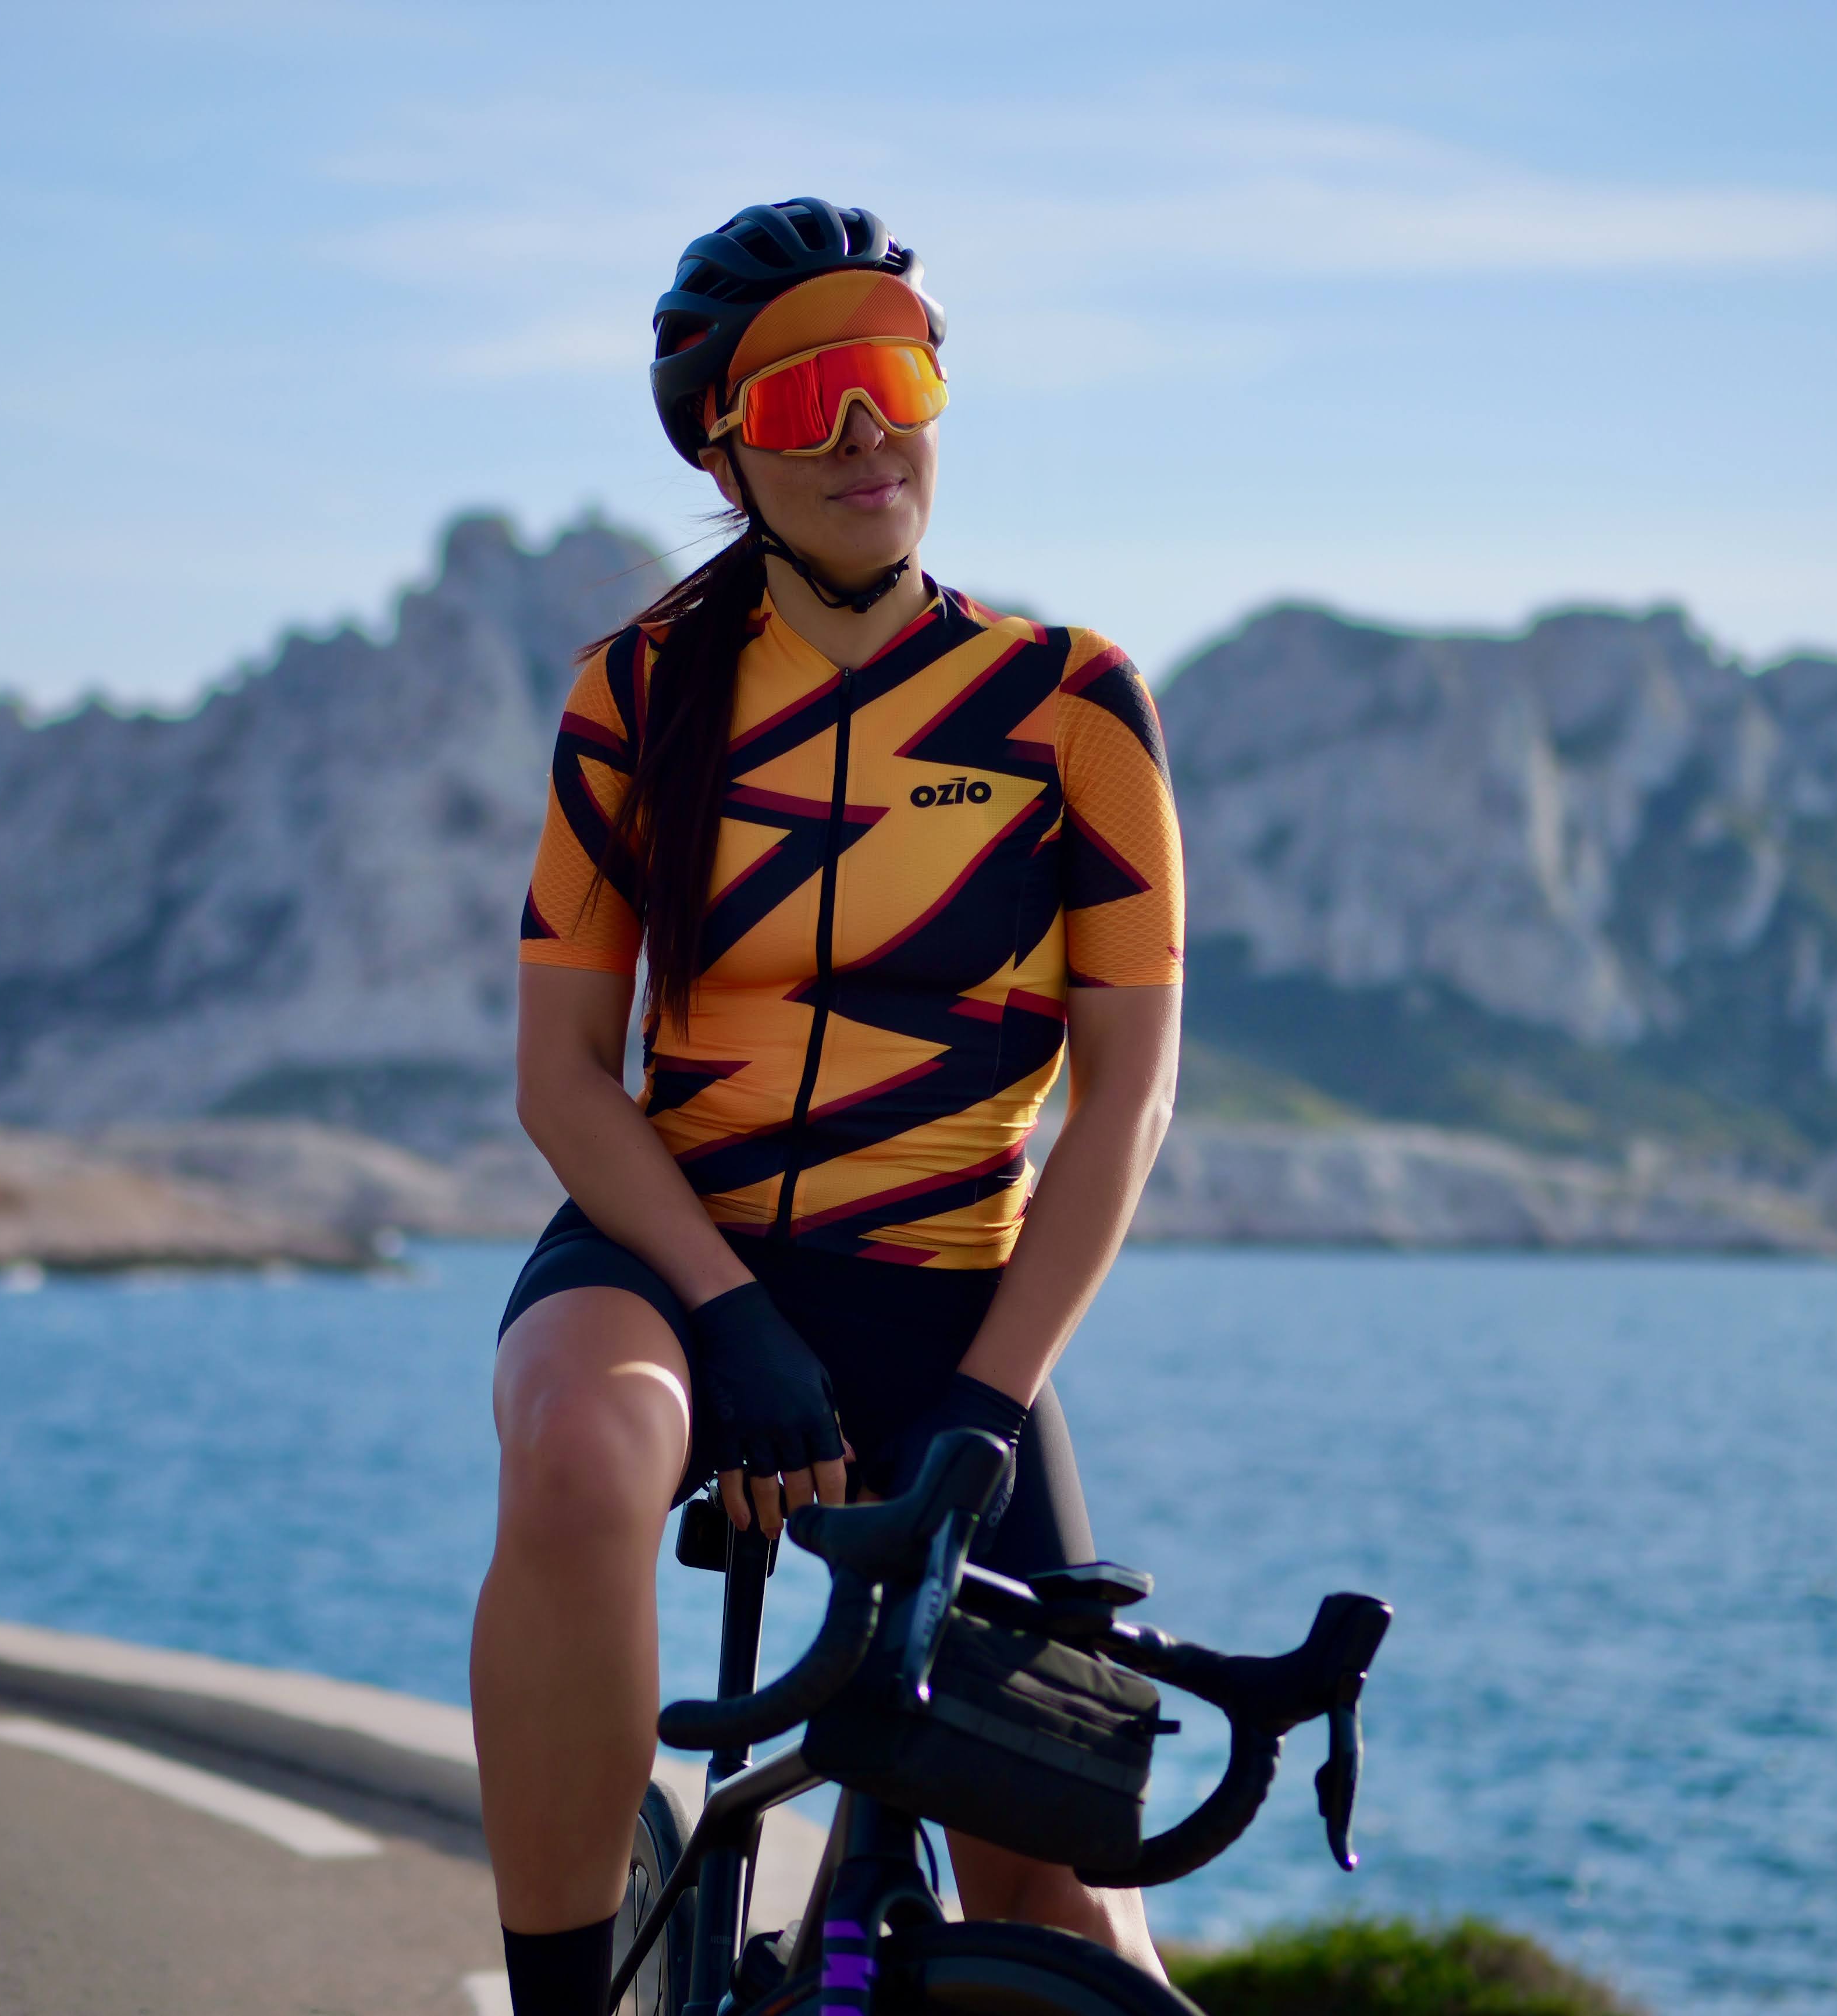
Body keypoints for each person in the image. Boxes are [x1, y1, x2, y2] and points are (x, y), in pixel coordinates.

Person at [471, 197, 1185, 2016]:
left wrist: (981, 1410)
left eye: (891, 375)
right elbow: (564, 1076)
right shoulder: (636, 698)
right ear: (726, 444)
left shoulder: (1072, 709)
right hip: (672, 1258)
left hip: (956, 1298)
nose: (866, 432)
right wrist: (728, 1316)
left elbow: (1125, 1111)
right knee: (584, 1454)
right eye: (803, 403)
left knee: (1070, 1915)